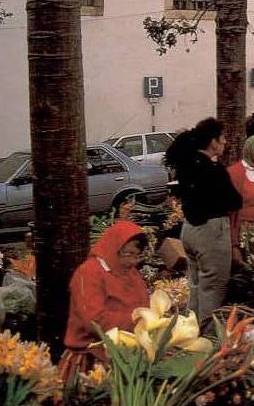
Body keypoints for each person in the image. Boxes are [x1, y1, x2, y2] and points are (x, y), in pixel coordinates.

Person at [165, 118, 242, 323]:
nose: (225, 142)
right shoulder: (213, 170)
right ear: (212, 141)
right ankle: (210, 339)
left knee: (196, 286)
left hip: (190, 231)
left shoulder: (186, 164)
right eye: (223, 138)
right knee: (213, 289)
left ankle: (191, 331)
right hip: (211, 233)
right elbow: (235, 201)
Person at [60, 221, 149, 382]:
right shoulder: (89, 273)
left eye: (137, 255)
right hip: (91, 359)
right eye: (128, 254)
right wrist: (140, 321)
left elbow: (144, 306)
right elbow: (94, 321)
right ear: (113, 248)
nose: (132, 262)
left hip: (128, 353)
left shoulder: (131, 274)